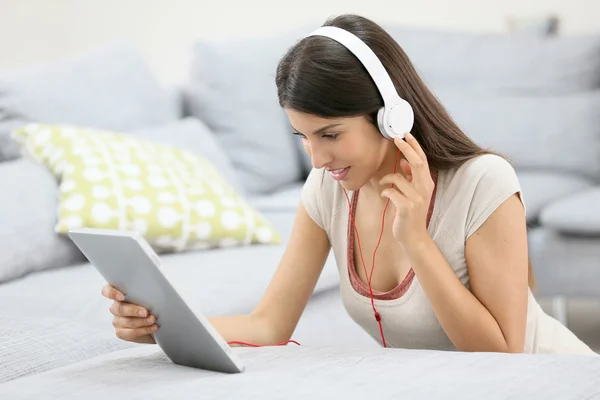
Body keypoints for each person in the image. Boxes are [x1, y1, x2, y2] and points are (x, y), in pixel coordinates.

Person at [101, 14, 596, 355]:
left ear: (390, 115)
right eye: (303, 137)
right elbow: (268, 325)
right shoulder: (326, 191)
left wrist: (417, 243)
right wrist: (161, 328)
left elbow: (502, 354)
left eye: (331, 134)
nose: (317, 158)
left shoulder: (483, 184)